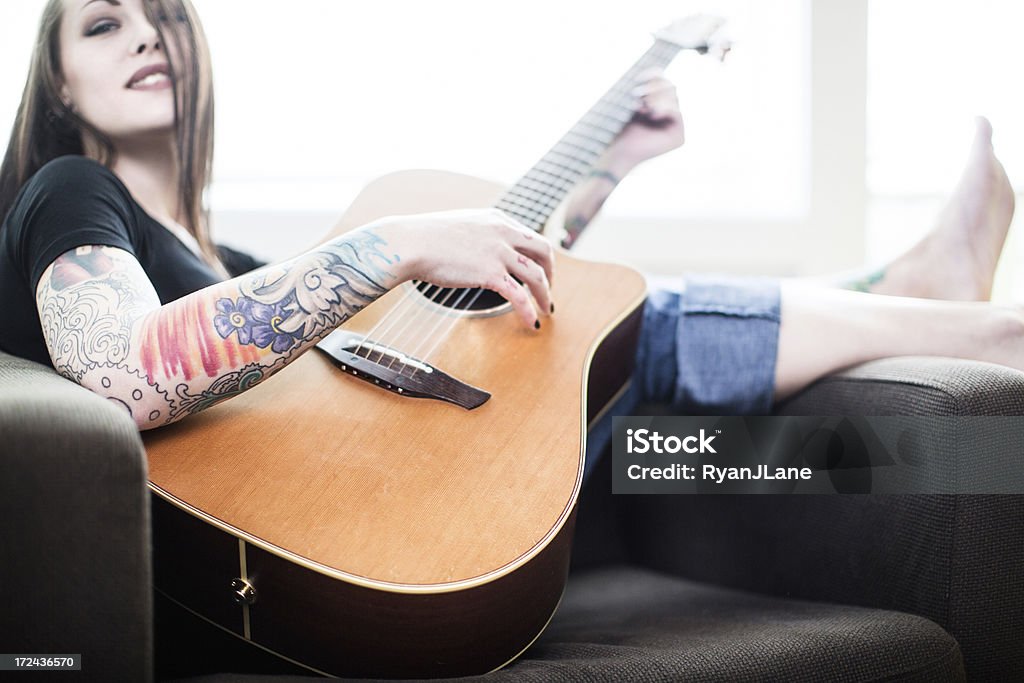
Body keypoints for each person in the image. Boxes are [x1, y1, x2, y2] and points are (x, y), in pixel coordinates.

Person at [0, 0, 1020, 459]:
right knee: (613, 320)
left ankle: (900, 282)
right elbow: (128, 372)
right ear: (58, 77)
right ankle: (962, 312)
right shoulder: (70, 192)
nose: (144, 31)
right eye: (102, 23)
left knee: (567, 331)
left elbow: (426, 306)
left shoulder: (220, 258)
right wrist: (395, 239)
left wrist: (604, 168)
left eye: (164, 15)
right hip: (329, 515)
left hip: (396, 465)